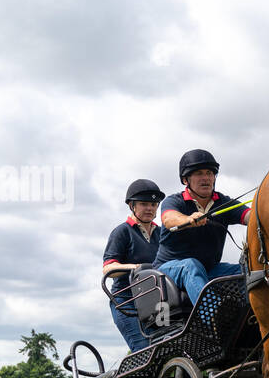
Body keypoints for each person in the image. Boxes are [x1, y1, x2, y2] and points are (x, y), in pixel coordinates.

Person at [153, 149, 250, 306]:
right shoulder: (174, 201)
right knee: (191, 265)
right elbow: (168, 218)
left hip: (209, 269)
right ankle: (214, 317)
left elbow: (249, 216)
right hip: (168, 269)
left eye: (210, 173)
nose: (206, 178)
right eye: (199, 173)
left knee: (248, 271)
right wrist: (187, 219)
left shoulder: (223, 202)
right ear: (186, 180)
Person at [103, 178, 164, 352]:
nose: (150, 208)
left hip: (156, 302)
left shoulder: (162, 233)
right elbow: (108, 268)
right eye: (144, 204)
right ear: (132, 206)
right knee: (145, 351)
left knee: (167, 347)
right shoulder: (122, 232)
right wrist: (136, 267)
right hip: (126, 302)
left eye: (153, 204)